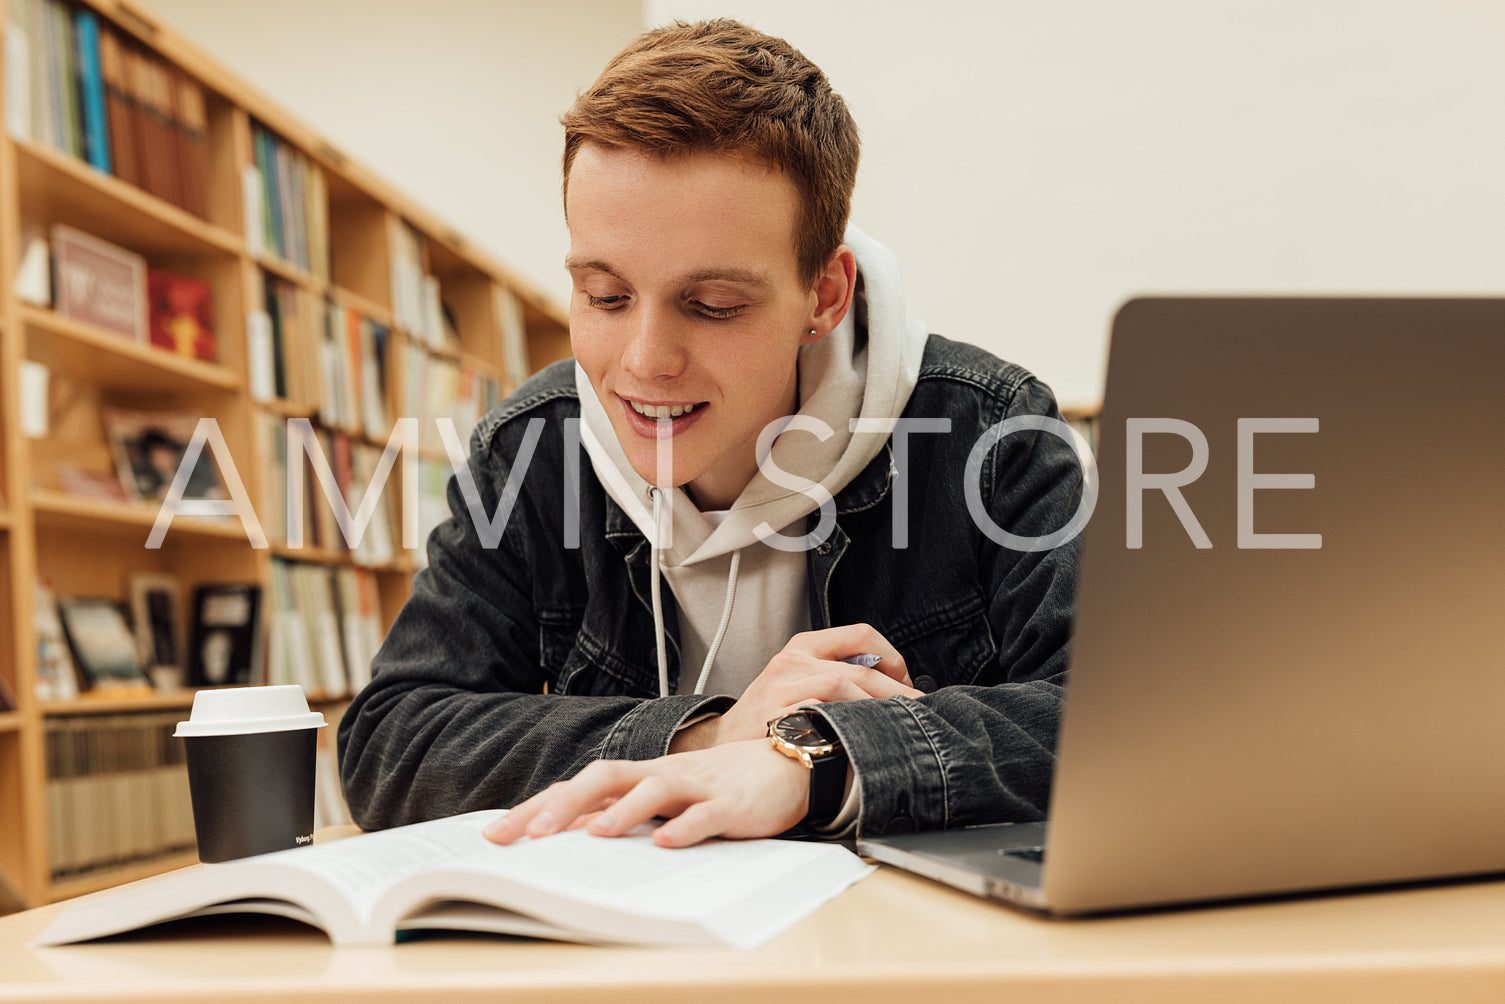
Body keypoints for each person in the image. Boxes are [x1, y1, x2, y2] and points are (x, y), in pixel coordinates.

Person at [338, 19, 1086, 848]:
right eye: (605, 296)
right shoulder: (530, 453)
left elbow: (1130, 714)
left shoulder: (993, 433)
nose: (644, 361)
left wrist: (814, 759)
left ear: (824, 295)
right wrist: (711, 737)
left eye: (713, 305)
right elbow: (392, 742)